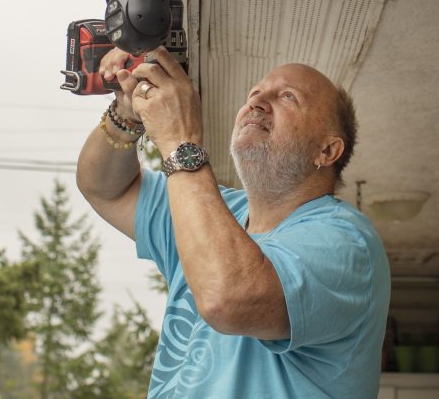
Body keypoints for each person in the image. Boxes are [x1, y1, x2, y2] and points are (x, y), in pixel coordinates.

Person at [77, 45, 391, 398]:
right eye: (254, 93)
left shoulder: (347, 242)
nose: (256, 102)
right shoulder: (210, 208)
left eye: (287, 97)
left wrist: (180, 142)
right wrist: (126, 113)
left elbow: (226, 299)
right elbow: (105, 189)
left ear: (327, 150)